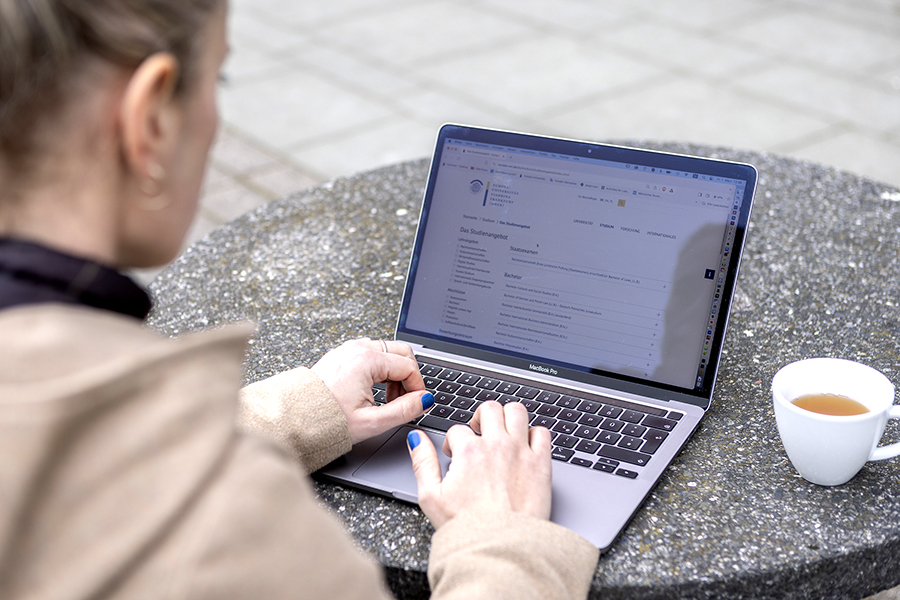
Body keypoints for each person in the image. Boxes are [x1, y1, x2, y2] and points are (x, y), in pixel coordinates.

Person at [0, 0, 599, 598]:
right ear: (151, 116)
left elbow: (90, 461)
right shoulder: (223, 534)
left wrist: (300, 413)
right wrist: (503, 540)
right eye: (218, 78)